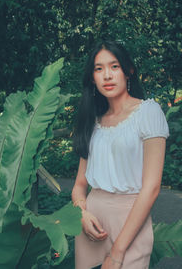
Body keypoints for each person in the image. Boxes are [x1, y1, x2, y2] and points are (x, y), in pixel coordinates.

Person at [72, 40, 169, 269]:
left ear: (128, 72)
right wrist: (82, 214)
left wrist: (117, 252)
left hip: (130, 225)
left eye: (114, 66)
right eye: (99, 68)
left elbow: (152, 188)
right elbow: (79, 185)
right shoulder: (92, 122)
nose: (107, 75)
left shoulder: (148, 113)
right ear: (92, 78)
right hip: (91, 225)